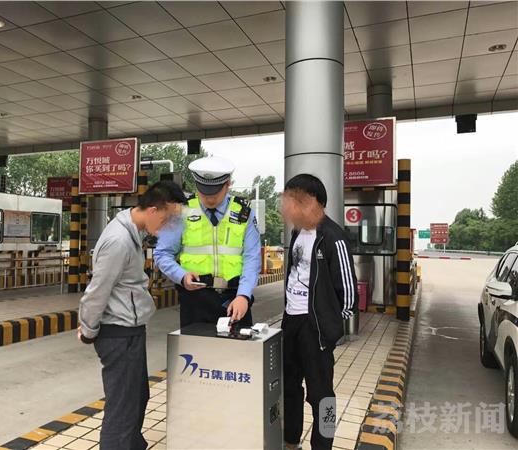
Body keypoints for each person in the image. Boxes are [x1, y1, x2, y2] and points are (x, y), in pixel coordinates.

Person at [77, 180, 187, 450]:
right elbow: (97, 290)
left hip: (130, 332)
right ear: (153, 210)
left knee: (137, 398)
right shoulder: (119, 241)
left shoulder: (133, 234)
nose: (168, 227)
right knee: (122, 410)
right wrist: (88, 330)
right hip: (118, 335)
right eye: (168, 219)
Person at [280, 174, 358, 450]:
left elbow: (348, 291)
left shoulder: (333, 237)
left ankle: (323, 446)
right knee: (290, 387)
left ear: (316, 203)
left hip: (316, 329)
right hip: (292, 322)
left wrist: (330, 325)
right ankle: (291, 442)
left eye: (297, 200)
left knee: (322, 396)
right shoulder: (297, 233)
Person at [154, 156, 261, 328]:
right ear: (196, 185)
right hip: (195, 300)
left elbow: (252, 258)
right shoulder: (181, 212)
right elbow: (162, 253)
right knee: (195, 346)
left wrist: (244, 296)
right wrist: (181, 276)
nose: (209, 199)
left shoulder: (244, 213)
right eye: (204, 192)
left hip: (234, 299)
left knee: (238, 346)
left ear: (228, 184)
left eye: (215, 193)